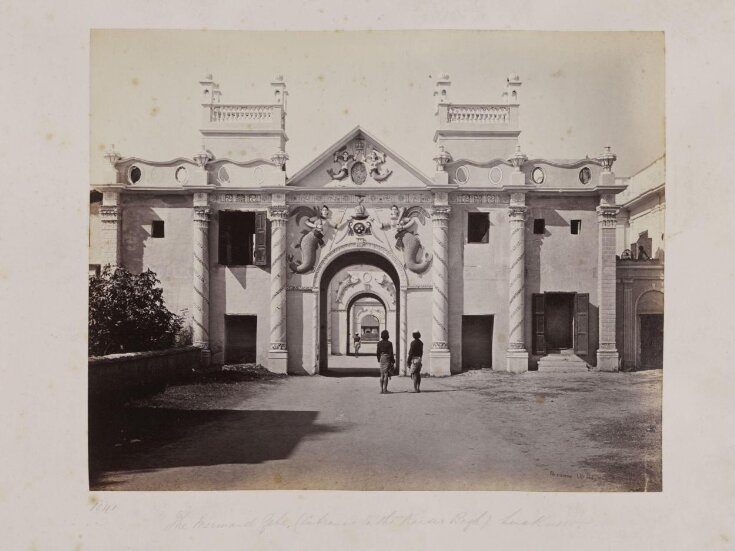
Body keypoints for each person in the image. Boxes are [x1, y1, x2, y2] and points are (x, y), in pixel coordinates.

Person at [376, 329, 395, 394]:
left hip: (382, 357)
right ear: (387, 335)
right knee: (386, 374)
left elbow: (378, 352)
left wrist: (379, 359)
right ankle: (385, 389)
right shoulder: (389, 343)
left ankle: (381, 389)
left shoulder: (379, 343)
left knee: (381, 374)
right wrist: (393, 360)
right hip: (387, 358)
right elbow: (391, 353)